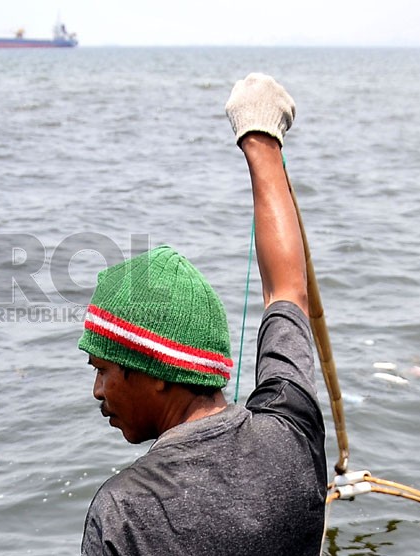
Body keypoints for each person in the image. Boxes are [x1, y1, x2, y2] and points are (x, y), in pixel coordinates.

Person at [78, 73, 327, 556]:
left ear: (155, 374)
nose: (97, 392)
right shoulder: (293, 433)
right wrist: (261, 139)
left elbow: (286, 291)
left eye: (103, 370)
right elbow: (287, 291)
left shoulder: (123, 515)